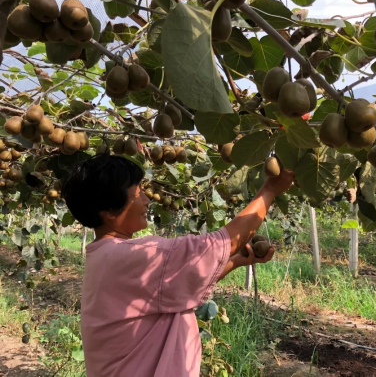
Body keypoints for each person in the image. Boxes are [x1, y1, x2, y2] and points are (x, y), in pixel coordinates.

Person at [61, 153, 294, 377]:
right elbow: (222, 243)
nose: (147, 199)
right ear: (110, 210)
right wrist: (269, 190)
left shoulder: (104, 256)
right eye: (138, 193)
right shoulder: (135, 256)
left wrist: (234, 262)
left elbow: (174, 283)